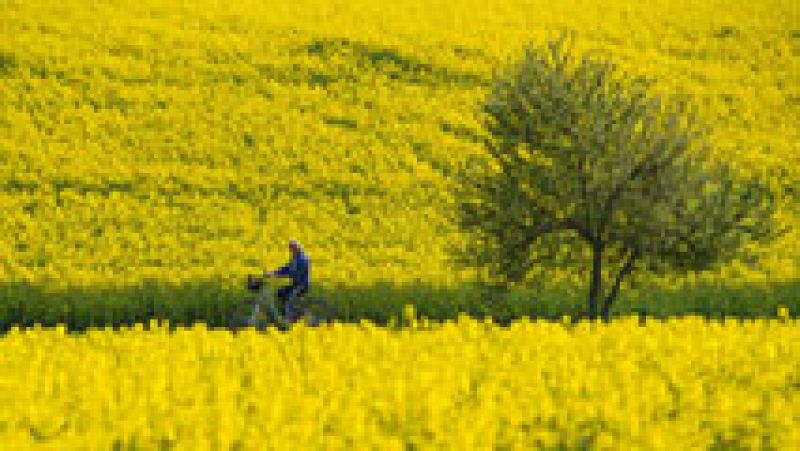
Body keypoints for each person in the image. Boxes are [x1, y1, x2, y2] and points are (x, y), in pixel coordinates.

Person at [262, 240, 310, 320]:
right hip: (295, 284)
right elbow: (286, 268)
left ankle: (292, 318)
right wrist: (273, 273)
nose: (291, 251)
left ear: (298, 248)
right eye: (290, 249)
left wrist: (284, 275)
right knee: (280, 294)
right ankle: (285, 316)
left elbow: (298, 272)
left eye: (293, 248)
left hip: (302, 285)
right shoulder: (295, 258)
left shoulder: (303, 259)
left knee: (289, 300)